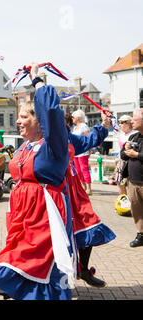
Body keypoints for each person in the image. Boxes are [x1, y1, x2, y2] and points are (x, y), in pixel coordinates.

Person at [0, 63, 74, 300]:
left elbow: (52, 112)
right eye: (18, 117)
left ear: (40, 121)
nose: (18, 122)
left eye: (23, 117)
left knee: (37, 263)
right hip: (22, 214)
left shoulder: (54, 144)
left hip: (44, 213)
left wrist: (37, 81)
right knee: (21, 262)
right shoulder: (25, 146)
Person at [66, 112, 116, 287]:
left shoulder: (69, 138)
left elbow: (89, 141)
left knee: (87, 224)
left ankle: (83, 269)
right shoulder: (40, 140)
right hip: (54, 191)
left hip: (74, 190)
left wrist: (104, 124)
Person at [120, 109, 143, 248]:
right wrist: (126, 149)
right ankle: (141, 234)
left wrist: (137, 155)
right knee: (137, 211)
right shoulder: (134, 137)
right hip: (133, 181)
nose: (131, 122)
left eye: (134, 119)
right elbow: (123, 156)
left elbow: (137, 155)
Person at [71, 110, 92, 195]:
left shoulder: (83, 126)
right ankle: (83, 186)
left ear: (78, 118)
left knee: (84, 169)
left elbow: (88, 139)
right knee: (78, 170)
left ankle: (89, 188)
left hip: (83, 152)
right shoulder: (75, 127)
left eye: (73, 117)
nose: (72, 119)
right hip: (76, 152)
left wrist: (89, 150)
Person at [114, 115, 137, 195]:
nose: (120, 125)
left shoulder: (135, 134)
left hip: (131, 160)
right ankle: (123, 199)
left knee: (130, 183)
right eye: (119, 122)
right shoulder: (121, 134)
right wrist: (117, 158)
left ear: (128, 124)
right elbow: (119, 149)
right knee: (119, 181)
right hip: (121, 160)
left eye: (122, 122)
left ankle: (130, 200)